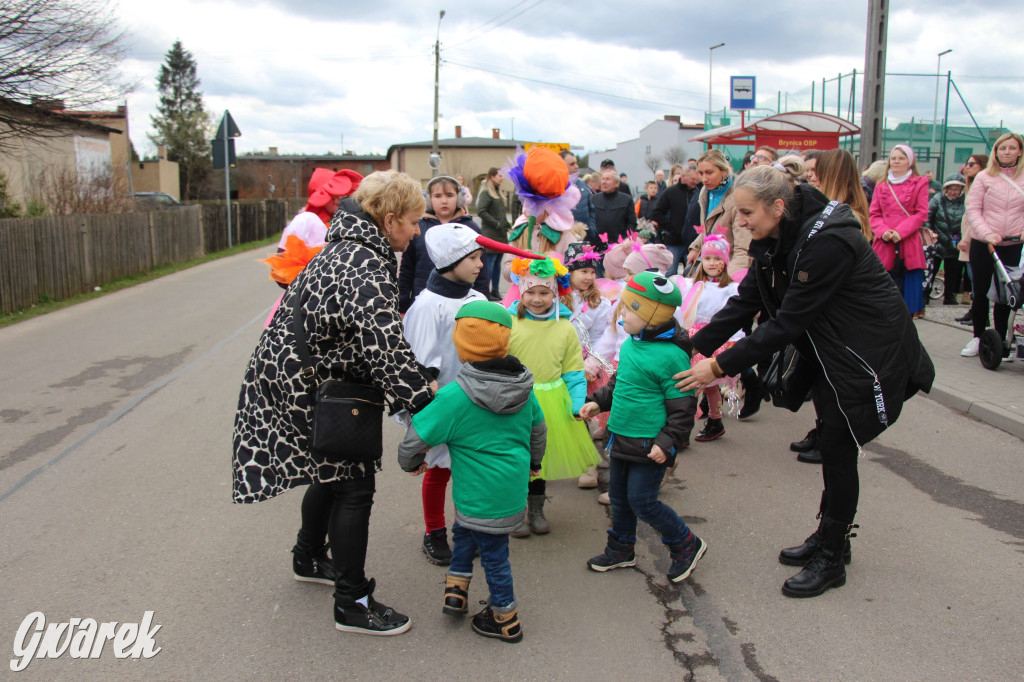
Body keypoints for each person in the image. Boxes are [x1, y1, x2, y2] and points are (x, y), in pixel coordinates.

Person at [675, 166, 934, 598]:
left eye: (746, 212)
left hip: (866, 355)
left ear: (778, 207)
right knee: (833, 445)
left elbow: (789, 322)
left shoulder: (827, 241)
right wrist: (690, 347)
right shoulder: (778, 236)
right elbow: (747, 302)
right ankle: (829, 536)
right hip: (833, 351)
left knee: (837, 448)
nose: (740, 221)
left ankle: (832, 555)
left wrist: (718, 368)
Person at [232, 170, 439, 635]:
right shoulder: (363, 263)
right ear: (388, 220)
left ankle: (307, 558)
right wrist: (426, 401)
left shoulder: (347, 245)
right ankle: (352, 602)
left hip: (294, 374)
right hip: (311, 383)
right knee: (352, 482)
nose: (416, 231)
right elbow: (382, 343)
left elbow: (373, 339)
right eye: (412, 221)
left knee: (328, 470)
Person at [398, 300, 546, 644]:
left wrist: (411, 462)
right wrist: (535, 463)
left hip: (474, 491)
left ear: (461, 346)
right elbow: (538, 431)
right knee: (464, 531)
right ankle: (456, 588)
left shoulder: (455, 397)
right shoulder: (525, 390)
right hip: (509, 491)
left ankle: (505, 618)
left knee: (494, 556)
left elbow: (415, 438)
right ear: (505, 343)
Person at [402, 223, 541, 565]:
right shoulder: (426, 305)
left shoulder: (478, 299)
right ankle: (433, 531)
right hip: (444, 401)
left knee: (469, 468)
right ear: (452, 261)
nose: (481, 265)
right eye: (475, 258)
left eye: (481, 257)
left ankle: (467, 528)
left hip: (480, 400)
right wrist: (426, 405)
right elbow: (420, 360)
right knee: (438, 469)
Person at [580, 271, 706, 583]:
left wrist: (667, 442)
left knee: (642, 501)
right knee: (619, 497)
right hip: (621, 435)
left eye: (627, 308)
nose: (620, 313)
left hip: (650, 444)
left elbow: (683, 407)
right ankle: (621, 548)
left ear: (648, 314)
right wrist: (598, 401)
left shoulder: (673, 356)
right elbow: (622, 385)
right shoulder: (634, 344)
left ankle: (686, 542)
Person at [788, 148, 873, 464]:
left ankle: (833, 437)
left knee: (834, 385)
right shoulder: (827, 213)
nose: (809, 178)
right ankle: (822, 429)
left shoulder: (850, 217)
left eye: (814, 173)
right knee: (821, 383)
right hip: (824, 314)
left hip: (841, 317)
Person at [507, 256, 601, 534]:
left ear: (556, 293)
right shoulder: (508, 322)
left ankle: (536, 510)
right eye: (531, 292)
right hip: (514, 400)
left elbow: (573, 372)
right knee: (516, 459)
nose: (537, 299)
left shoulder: (564, 328)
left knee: (540, 461)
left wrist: (577, 405)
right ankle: (515, 512)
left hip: (550, 402)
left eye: (544, 292)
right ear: (521, 291)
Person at [261, 168, 363, 324]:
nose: (338, 199)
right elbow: (281, 273)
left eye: (341, 194)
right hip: (304, 308)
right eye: (333, 195)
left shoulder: (340, 223)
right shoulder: (306, 220)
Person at [671, 235, 743, 442]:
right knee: (692, 385)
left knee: (704, 385)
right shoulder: (692, 285)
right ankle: (697, 424)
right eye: (708, 258)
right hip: (692, 340)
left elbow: (735, 317)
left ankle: (705, 422)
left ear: (725, 262)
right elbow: (682, 311)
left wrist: (734, 341)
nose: (712, 263)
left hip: (713, 339)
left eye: (717, 258)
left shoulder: (730, 289)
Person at [961, 133, 1024, 358]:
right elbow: (973, 209)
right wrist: (987, 234)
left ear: (1019, 151)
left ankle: (999, 338)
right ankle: (978, 336)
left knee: (1007, 292)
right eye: (1002, 148)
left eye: (1011, 148)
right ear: (995, 152)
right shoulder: (984, 177)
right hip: (984, 243)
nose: (1006, 151)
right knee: (981, 290)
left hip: (1013, 242)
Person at [561, 241, 613, 489]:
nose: (589, 276)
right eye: (583, 271)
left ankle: (589, 467)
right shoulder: (556, 298)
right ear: (569, 271)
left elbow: (601, 337)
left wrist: (592, 363)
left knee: (583, 416)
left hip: (584, 367)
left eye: (593, 271)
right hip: (558, 363)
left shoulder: (600, 304)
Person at [398, 175, 489, 312]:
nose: (444, 201)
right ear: (428, 199)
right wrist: (402, 306)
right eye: (438, 196)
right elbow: (406, 270)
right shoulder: (418, 228)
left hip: (461, 305)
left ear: (459, 198)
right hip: (422, 304)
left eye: (450, 195)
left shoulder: (471, 229)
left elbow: (482, 273)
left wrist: (482, 306)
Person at [869, 144, 930, 318]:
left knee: (908, 295)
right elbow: (874, 214)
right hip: (885, 243)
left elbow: (921, 213)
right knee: (881, 290)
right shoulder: (881, 185)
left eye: (901, 158)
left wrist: (900, 232)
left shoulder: (920, 183)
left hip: (908, 242)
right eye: (893, 158)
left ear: (910, 162)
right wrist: (883, 231)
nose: (896, 161)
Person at [685, 150, 749, 276]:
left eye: (709, 172)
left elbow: (743, 249)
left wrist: (730, 281)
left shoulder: (738, 198)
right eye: (701, 173)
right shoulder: (706, 192)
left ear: (724, 171)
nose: (704, 178)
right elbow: (709, 227)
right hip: (712, 266)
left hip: (730, 268)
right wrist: (696, 247)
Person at [955, 153, 988, 323]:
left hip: (974, 235)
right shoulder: (971, 184)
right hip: (968, 232)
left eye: (972, 164)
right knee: (972, 276)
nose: (967, 167)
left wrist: (966, 238)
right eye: (967, 163)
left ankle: (979, 313)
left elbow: (978, 214)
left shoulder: (982, 185)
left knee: (977, 278)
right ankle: (974, 311)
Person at [925, 174, 967, 305]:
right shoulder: (937, 199)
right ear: (946, 189)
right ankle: (926, 295)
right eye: (951, 189)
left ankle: (949, 296)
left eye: (957, 189)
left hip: (956, 242)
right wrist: (930, 233)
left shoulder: (967, 202)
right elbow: (927, 217)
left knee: (953, 272)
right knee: (931, 270)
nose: (954, 192)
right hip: (937, 241)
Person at [816, 148, 872, 243]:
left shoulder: (848, 217)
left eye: (817, 172)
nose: (813, 177)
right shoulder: (848, 213)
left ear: (829, 177)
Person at [653, 169, 700, 275]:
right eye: (692, 179)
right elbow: (657, 213)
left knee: (693, 273)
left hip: (693, 242)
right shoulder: (670, 192)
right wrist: (670, 227)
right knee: (669, 272)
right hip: (674, 241)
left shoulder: (698, 192)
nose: (695, 181)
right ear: (683, 177)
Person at [476, 168, 512, 300]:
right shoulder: (486, 193)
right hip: (490, 234)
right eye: (499, 176)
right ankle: (485, 291)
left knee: (497, 264)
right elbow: (481, 211)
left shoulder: (498, 193)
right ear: (492, 177)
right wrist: (496, 223)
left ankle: (495, 290)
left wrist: (507, 226)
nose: (502, 178)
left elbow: (501, 214)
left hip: (500, 235)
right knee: (489, 265)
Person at [592, 170, 638, 243]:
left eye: (608, 179)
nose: (604, 182)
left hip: (620, 244)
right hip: (598, 244)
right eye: (603, 179)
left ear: (617, 183)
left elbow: (632, 223)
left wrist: (626, 239)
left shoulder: (626, 199)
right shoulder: (594, 199)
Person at [560, 151, 596, 241]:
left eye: (576, 163)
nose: (576, 166)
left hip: (585, 239)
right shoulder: (554, 186)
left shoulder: (581, 184)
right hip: (563, 240)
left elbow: (591, 209)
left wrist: (591, 229)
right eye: (572, 164)